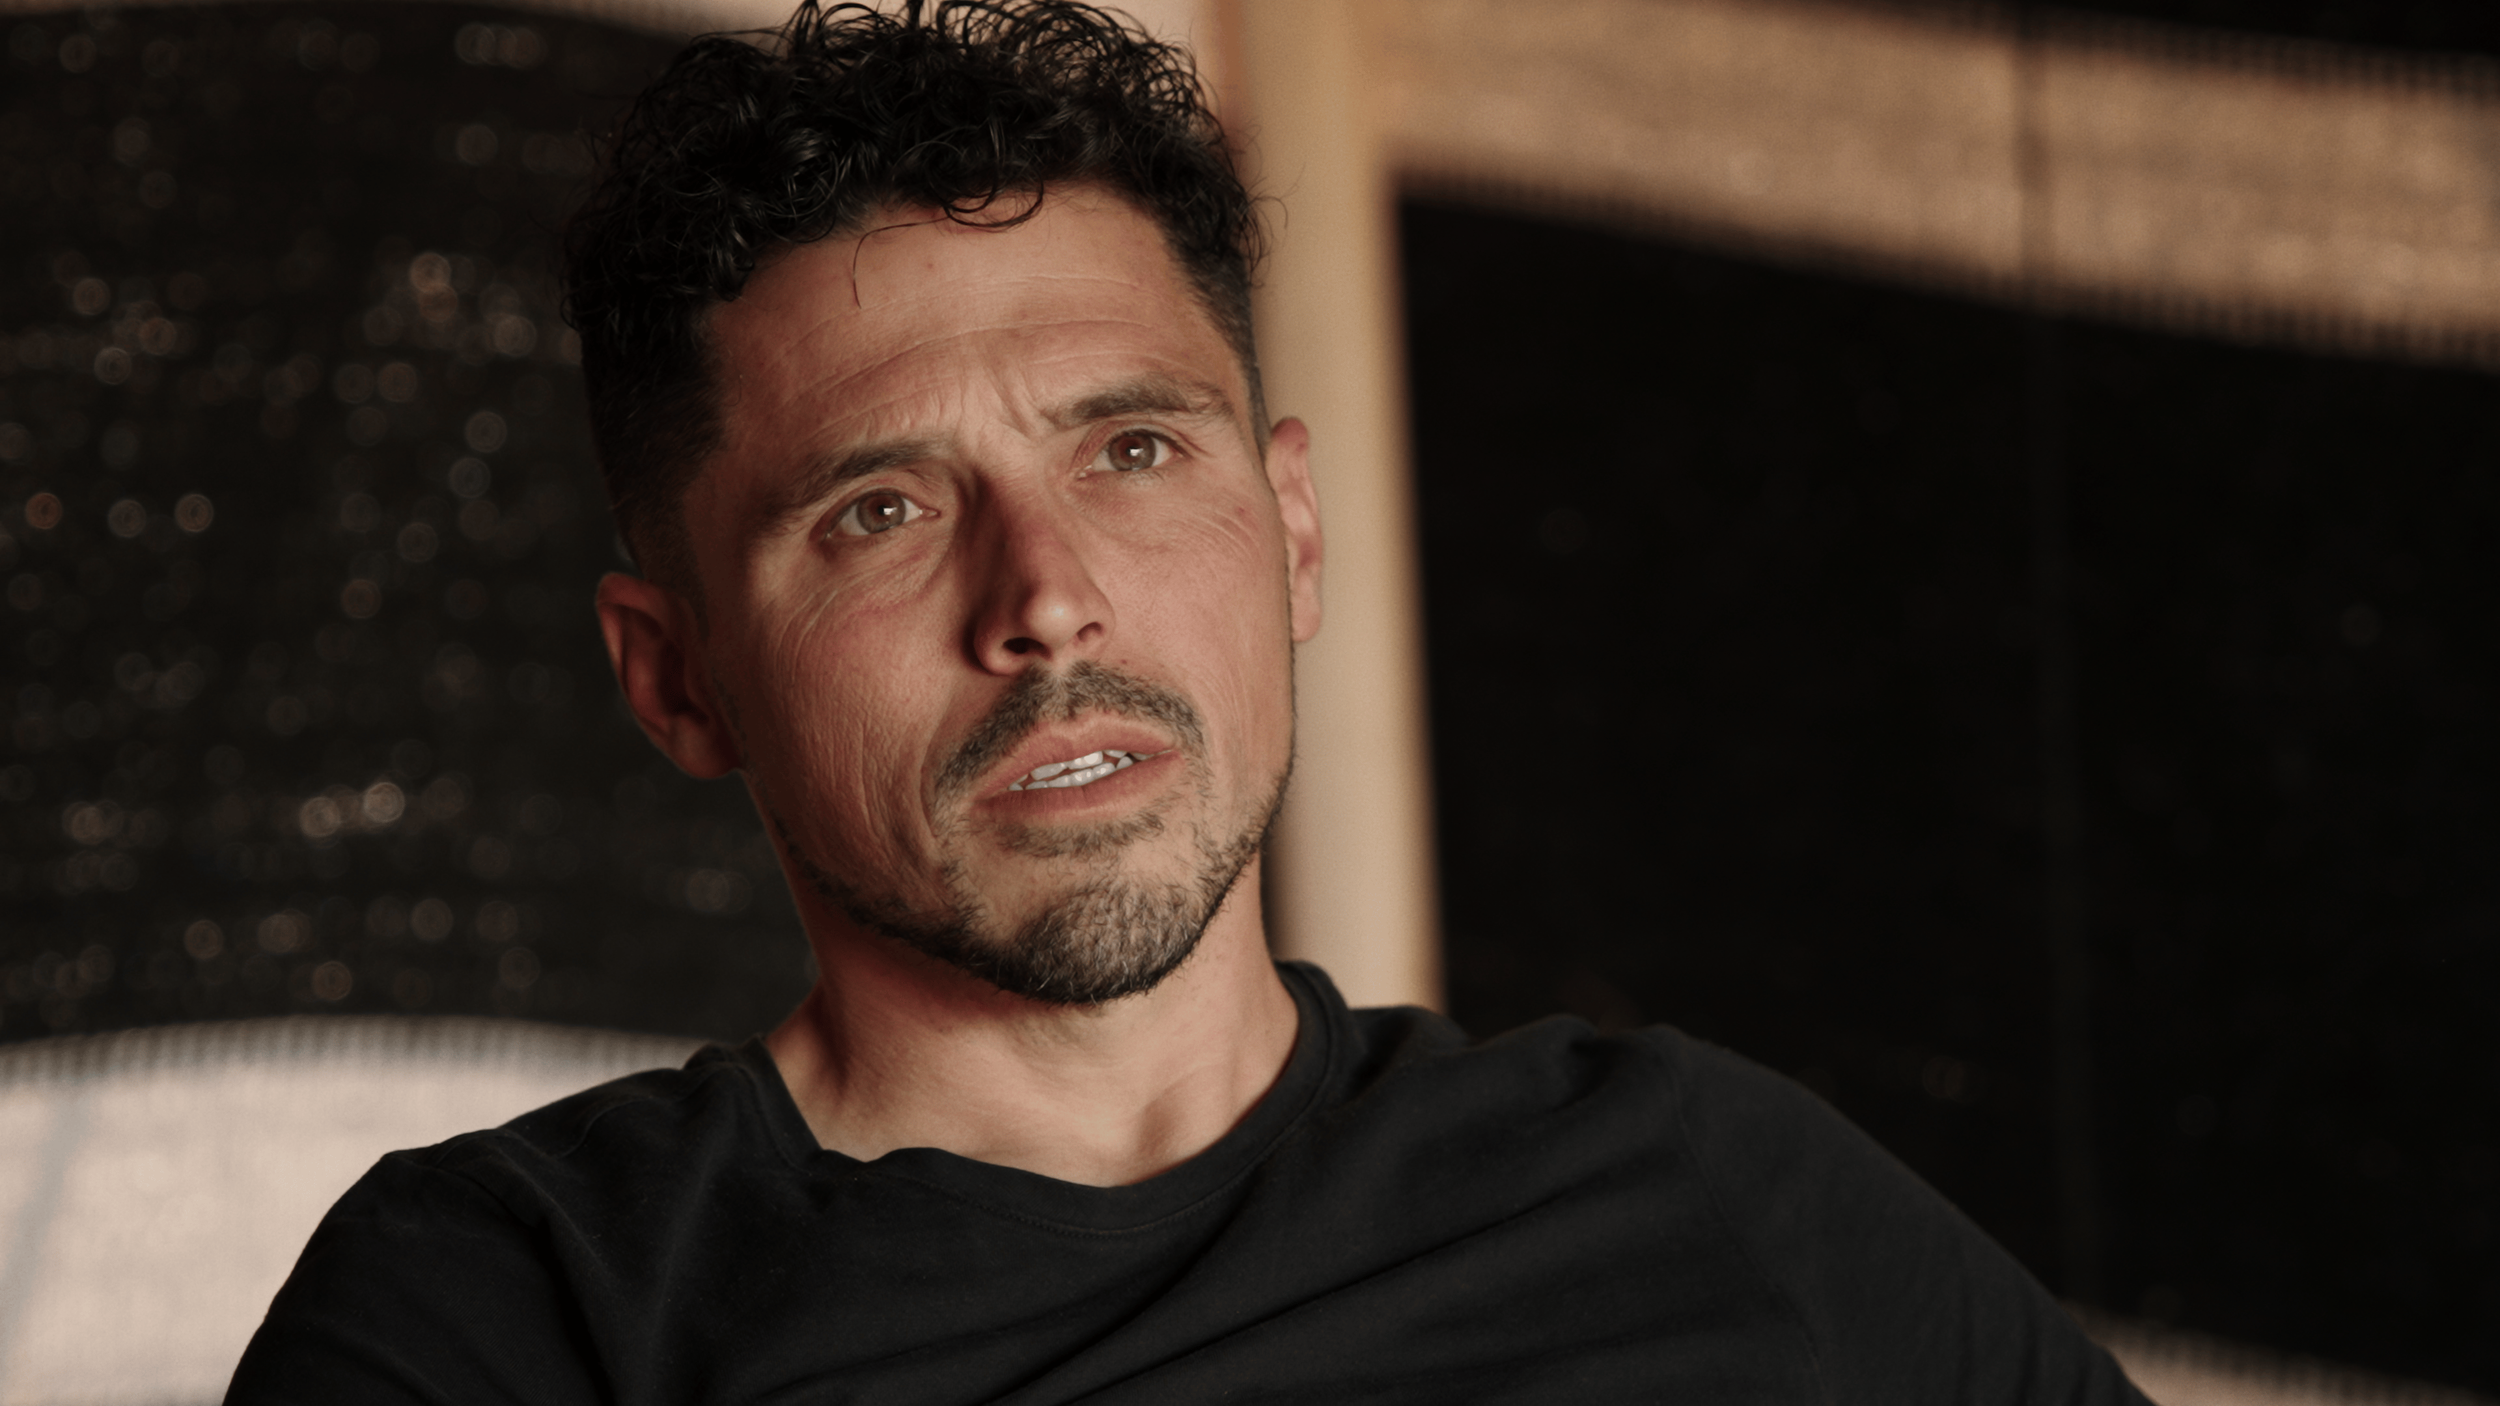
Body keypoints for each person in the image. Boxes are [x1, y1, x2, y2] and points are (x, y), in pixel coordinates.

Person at [229, 3, 2151, 1400]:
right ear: (675, 675)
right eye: (882, 509)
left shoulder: (1702, 1182)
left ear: (1293, 529)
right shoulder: (507, 1318)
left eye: (1133, 449)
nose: (1048, 599)